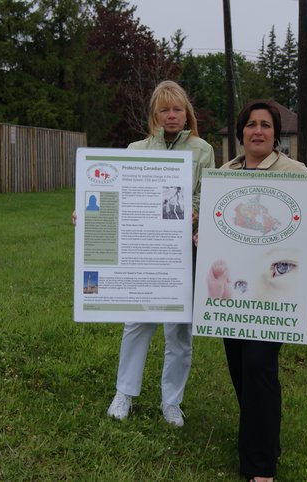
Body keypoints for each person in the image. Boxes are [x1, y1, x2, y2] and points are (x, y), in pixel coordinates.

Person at [215, 99, 307, 481]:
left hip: (274, 291)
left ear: (276, 133)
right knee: (240, 371)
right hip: (232, 293)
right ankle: (263, 436)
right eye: (251, 124)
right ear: (241, 131)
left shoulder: (295, 172)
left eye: (265, 125)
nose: (257, 131)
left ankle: (259, 465)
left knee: (259, 365)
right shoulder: (224, 174)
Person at [103, 80, 215, 426]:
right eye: (164, 109)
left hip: (184, 253)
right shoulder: (136, 150)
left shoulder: (202, 150)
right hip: (145, 252)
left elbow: (208, 192)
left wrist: (195, 210)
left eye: (177, 109)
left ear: (187, 114)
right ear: (154, 114)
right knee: (137, 321)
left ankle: (171, 401)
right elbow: (121, 195)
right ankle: (125, 393)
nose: (171, 115)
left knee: (179, 330)